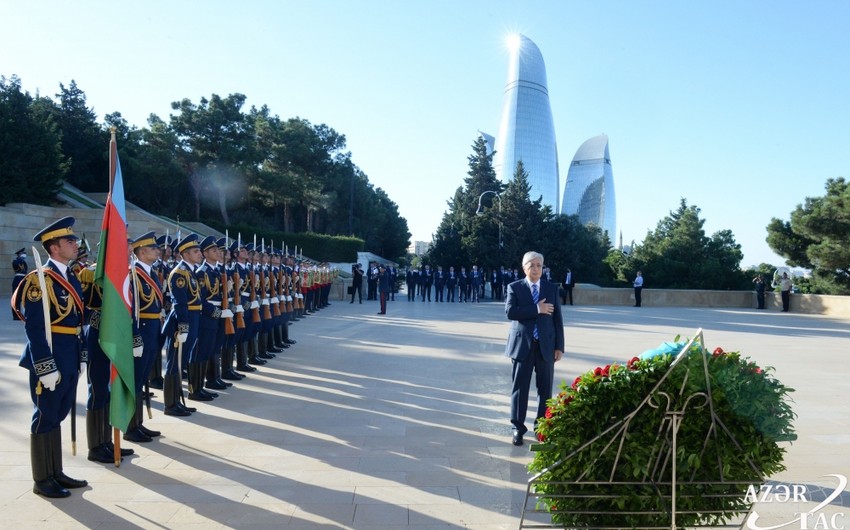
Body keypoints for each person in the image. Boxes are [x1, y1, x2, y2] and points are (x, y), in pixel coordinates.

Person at [12, 216, 89, 497]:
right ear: (54, 247)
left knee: (58, 414)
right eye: (70, 241)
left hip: (69, 355)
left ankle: (56, 472)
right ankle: (42, 479)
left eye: (74, 239)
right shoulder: (39, 280)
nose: (75, 244)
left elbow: (78, 320)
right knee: (45, 415)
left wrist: (82, 354)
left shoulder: (71, 276)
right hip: (51, 357)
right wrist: (45, 365)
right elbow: (34, 328)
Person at [504, 251, 564, 447]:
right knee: (520, 389)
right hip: (523, 347)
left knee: (545, 389)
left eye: (539, 265)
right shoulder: (514, 287)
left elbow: (557, 320)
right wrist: (537, 308)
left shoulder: (551, 288)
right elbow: (510, 312)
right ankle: (518, 428)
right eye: (532, 265)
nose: (536, 269)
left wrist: (559, 346)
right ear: (524, 268)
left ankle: (541, 427)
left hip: (546, 347)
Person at [12, 248, 28, 319]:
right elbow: (17, 266)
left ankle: (25, 314)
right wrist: (20, 259)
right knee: (17, 298)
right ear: (19, 254)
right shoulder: (16, 261)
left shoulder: (24, 262)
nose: (24, 255)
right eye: (23, 253)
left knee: (26, 297)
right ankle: (16, 316)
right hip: (18, 279)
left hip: (24, 279)